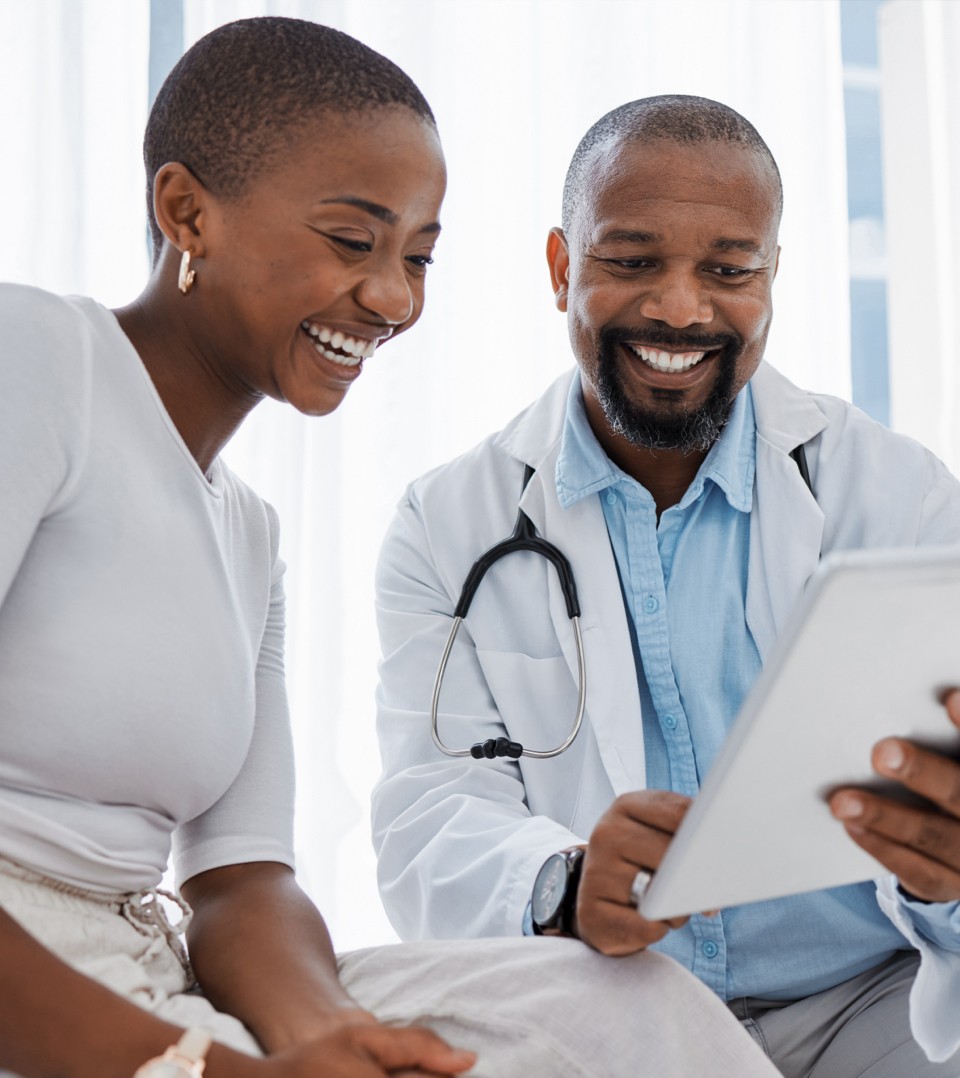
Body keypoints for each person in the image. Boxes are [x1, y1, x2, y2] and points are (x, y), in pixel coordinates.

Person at [0, 23, 780, 1078]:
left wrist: (326, 1034)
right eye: (352, 240)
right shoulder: (36, 360)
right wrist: (219, 1070)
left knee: (609, 999)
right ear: (187, 211)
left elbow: (240, 879)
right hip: (51, 996)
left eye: (418, 256)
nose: (395, 299)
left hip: (152, 971)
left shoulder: (247, 534)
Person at [372, 94, 960, 1078]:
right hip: (615, 1009)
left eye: (728, 270)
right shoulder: (448, 522)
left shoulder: (894, 494)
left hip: (877, 998)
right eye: (633, 262)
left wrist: (946, 873)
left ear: (772, 278)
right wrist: (560, 884)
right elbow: (427, 808)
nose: (681, 308)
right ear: (563, 268)